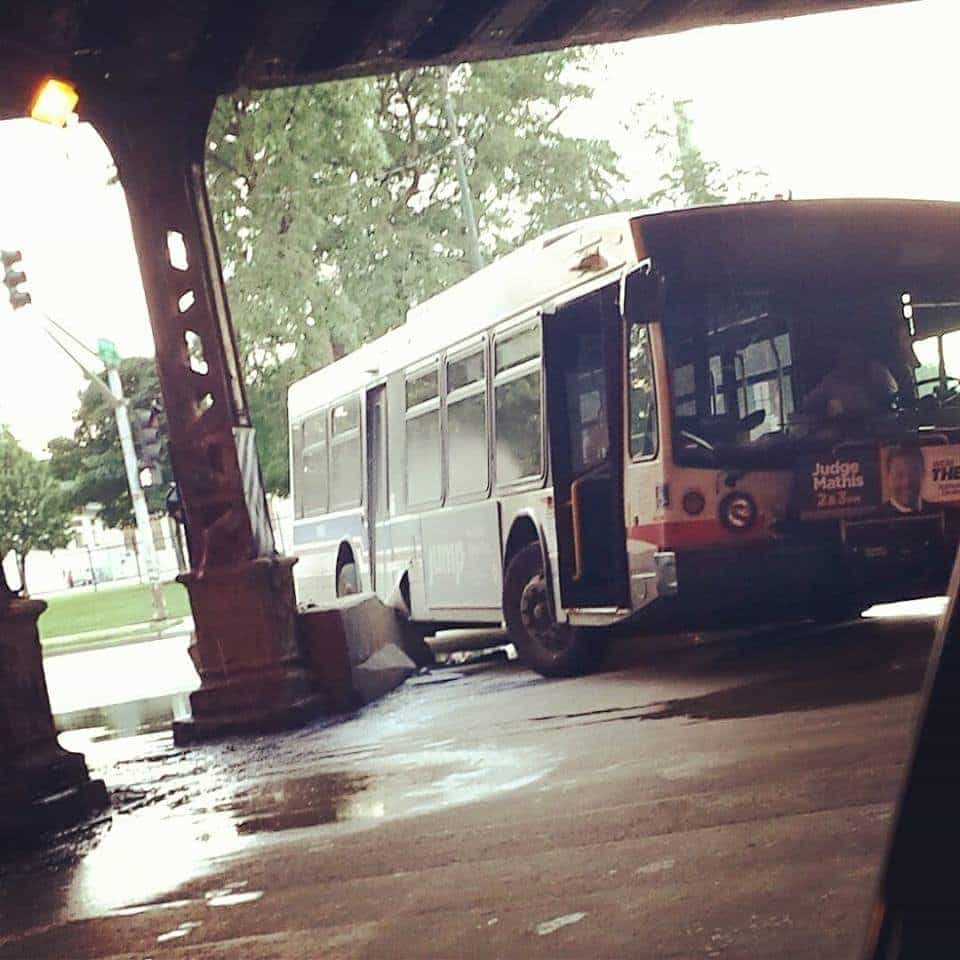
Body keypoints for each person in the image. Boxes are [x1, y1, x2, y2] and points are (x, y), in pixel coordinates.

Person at [802, 342, 898, 420]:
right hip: (842, 436)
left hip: (879, 432)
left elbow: (893, 397)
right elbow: (809, 403)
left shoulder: (878, 373)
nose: (850, 362)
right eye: (845, 357)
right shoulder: (832, 380)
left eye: (853, 355)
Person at [880, 445, 928, 516]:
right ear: (887, 477)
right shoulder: (873, 520)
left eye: (913, 474)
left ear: (923, 474)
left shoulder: (941, 512)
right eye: (899, 475)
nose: (906, 482)